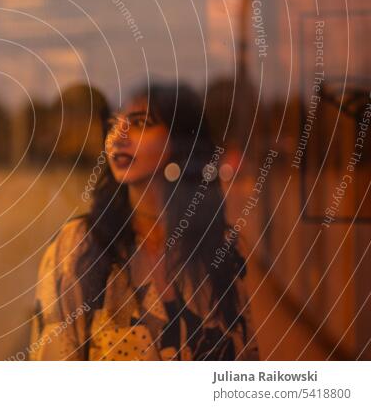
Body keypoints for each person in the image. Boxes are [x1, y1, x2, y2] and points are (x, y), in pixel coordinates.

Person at [29, 83, 259, 360]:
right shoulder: (77, 246)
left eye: (140, 123)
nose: (118, 137)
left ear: (181, 141)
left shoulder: (218, 247)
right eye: (114, 123)